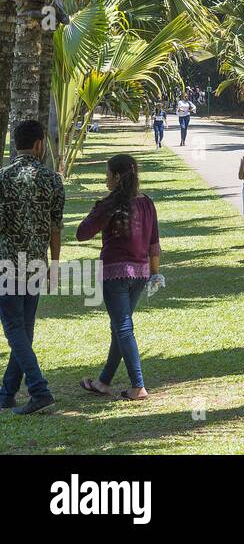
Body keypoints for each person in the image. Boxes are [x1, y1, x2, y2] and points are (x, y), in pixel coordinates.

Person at [75, 154, 160, 402]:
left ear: (116, 177)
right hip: (141, 273)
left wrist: (97, 210)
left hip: (115, 273)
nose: (105, 180)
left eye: (107, 175)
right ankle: (103, 382)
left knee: (123, 327)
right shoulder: (147, 203)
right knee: (119, 327)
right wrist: (155, 274)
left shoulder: (111, 204)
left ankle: (138, 385)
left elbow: (82, 233)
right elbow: (154, 244)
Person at [0, 120, 64, 415]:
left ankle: (39, 390)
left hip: (7, 263)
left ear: (16, 144)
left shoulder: (3, 178)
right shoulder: (52, 179)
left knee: (15, 329)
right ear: (39, 144)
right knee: (24, 330)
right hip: (36, 263)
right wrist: (54, 264)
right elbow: (55, 227)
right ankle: (7, 393)